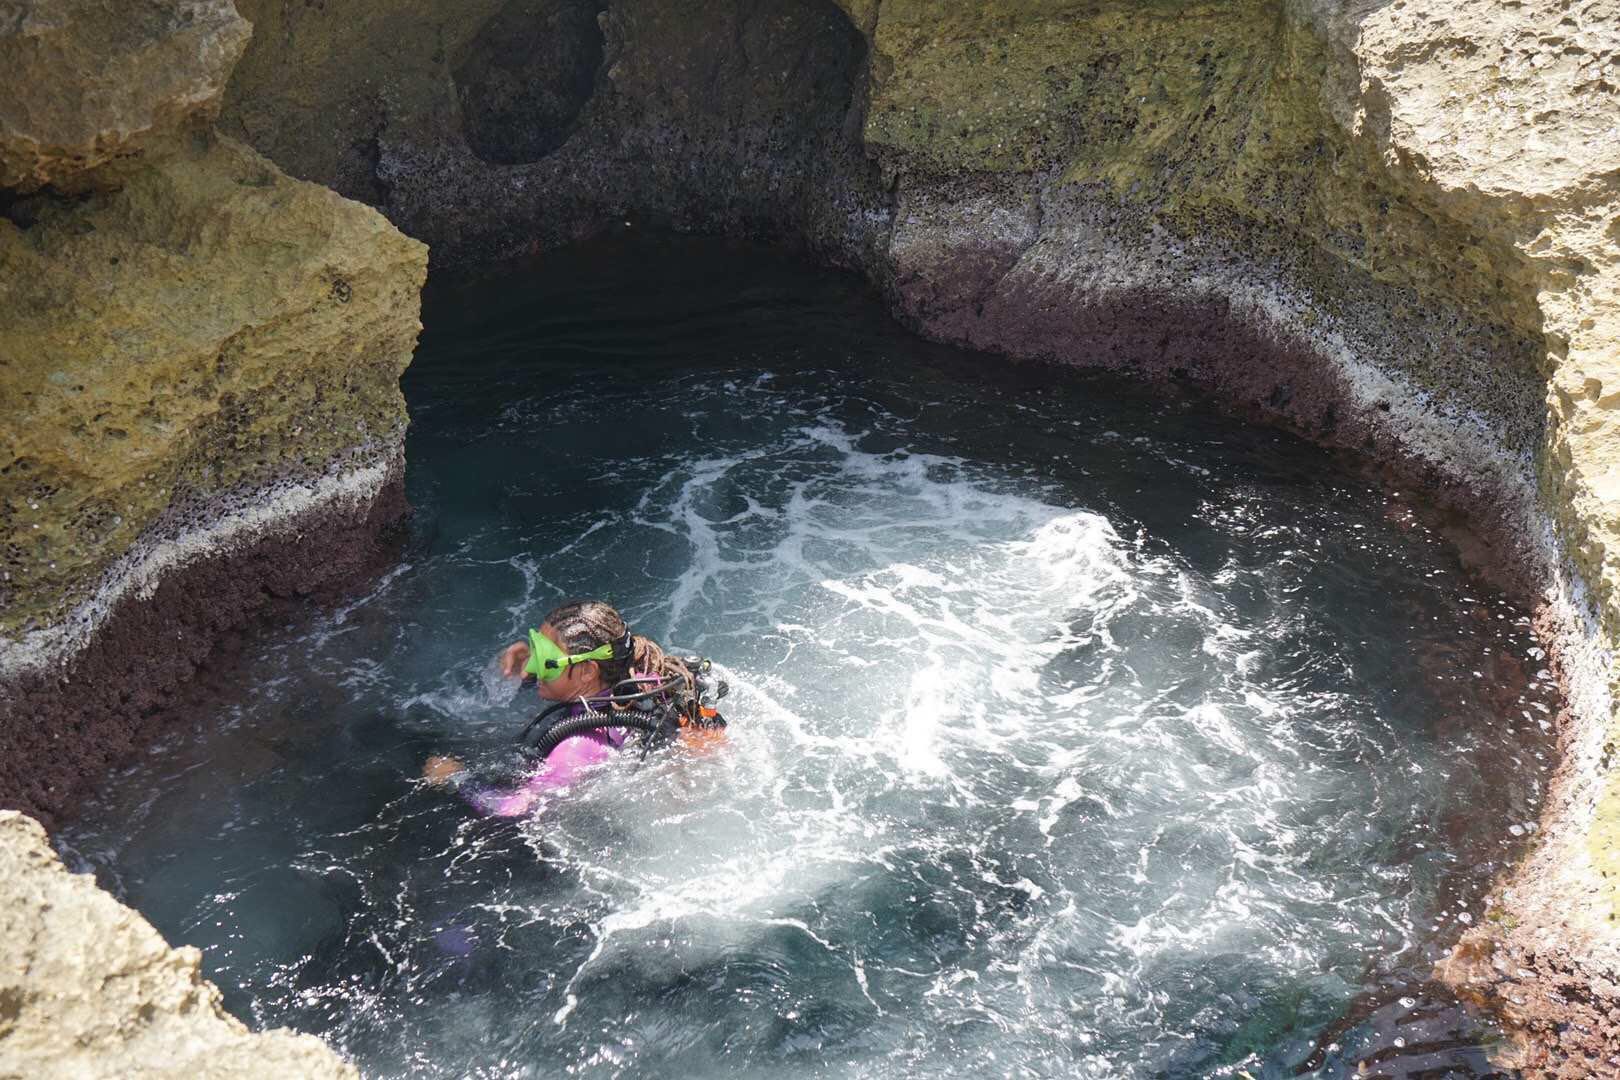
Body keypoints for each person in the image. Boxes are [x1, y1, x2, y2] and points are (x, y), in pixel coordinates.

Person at [423, 600, 725, 816]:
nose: (536, 664)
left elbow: (513, 807)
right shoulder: (636, 669)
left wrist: (456, 778)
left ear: (587, 672)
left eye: (545, 657)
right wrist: (530, 658)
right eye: (538, 647)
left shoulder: (578, 746)